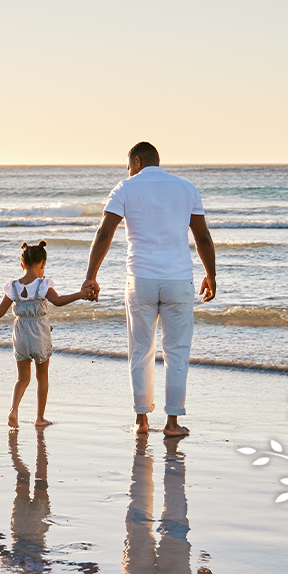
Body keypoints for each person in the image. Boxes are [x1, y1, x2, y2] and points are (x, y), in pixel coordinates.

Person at [82, 142, 216, 437]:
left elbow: (105, 232)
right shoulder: (186, 188)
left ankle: (141, 422)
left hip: (140, 280)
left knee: (140, 351)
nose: (128, 171)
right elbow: (202, 236)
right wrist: (210, 275)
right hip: (179, 281)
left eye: (128, 166)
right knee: (177, 352)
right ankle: (172, 423)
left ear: (137, 162)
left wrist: (91, 276)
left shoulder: (125, 188)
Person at [0, 240, 96, 428]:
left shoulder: (13, 287)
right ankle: (40, 418)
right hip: (39, 333)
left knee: (22, 379)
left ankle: (13, 410)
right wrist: (81, 294)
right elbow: (58, 301)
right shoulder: (43, 285)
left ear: (22, 264)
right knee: (42, 377)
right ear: (42, 264)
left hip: (20, 334)